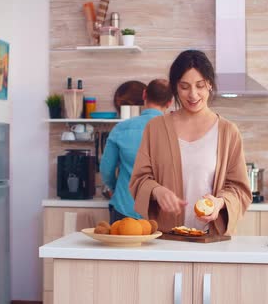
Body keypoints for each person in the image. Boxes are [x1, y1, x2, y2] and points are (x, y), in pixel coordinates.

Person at [129, 50, 251, 235]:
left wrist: (220, 202)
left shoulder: (228, 132)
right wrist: (157, 191)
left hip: (212, 240)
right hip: (165, 239)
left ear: (209, 84)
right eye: (184, 87)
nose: (193, 95)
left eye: (200, 85)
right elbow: (139, 180)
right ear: (175, 88)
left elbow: (239, 188)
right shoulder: (155, 128)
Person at [100, 79, 173, 224]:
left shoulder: (121, 128)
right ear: (170, 102)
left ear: (144, 95)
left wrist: (115, 188)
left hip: (124, 208)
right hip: (162, 211)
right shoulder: (176, 131)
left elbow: (106, 169)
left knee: (122, 247)